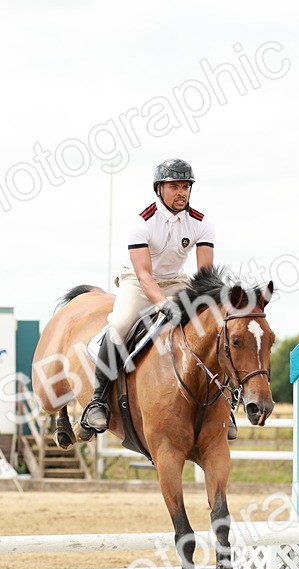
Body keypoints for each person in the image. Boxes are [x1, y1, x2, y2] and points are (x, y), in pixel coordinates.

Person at [80, 158, 236, 440]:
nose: (182, 193)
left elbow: (204, 275)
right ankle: (98, 399)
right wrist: (163, 304)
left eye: (186, 187)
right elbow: (144, 275)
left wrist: (205, 305)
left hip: (178, 282)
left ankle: (224, 403)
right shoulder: (143, 222)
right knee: (121, 324)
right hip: (139, 284)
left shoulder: (201, 223)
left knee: (208, 328)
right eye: (174, 186)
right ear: (159, 190)